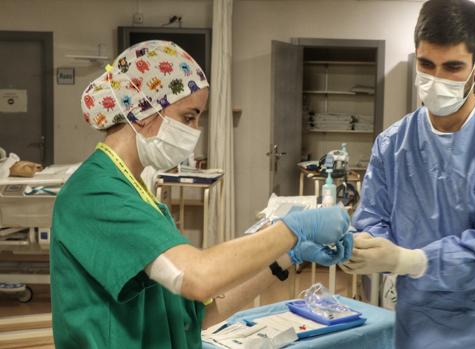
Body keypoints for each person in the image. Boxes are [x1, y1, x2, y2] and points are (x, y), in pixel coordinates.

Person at [50, 40, 352, 348]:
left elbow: (194, 317)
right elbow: (198, 276)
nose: (195, 131)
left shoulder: (139, 193)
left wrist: (288, 257)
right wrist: (292, 230)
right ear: (141, 111)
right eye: (188, 117)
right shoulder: (94, 193)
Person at [340, 1, 475, 348]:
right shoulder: (393, 144)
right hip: (422, 324)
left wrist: (412, 260)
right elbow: (373, 220)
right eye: (426, 64)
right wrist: (359, 248)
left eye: (452, 67)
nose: (436, 79)